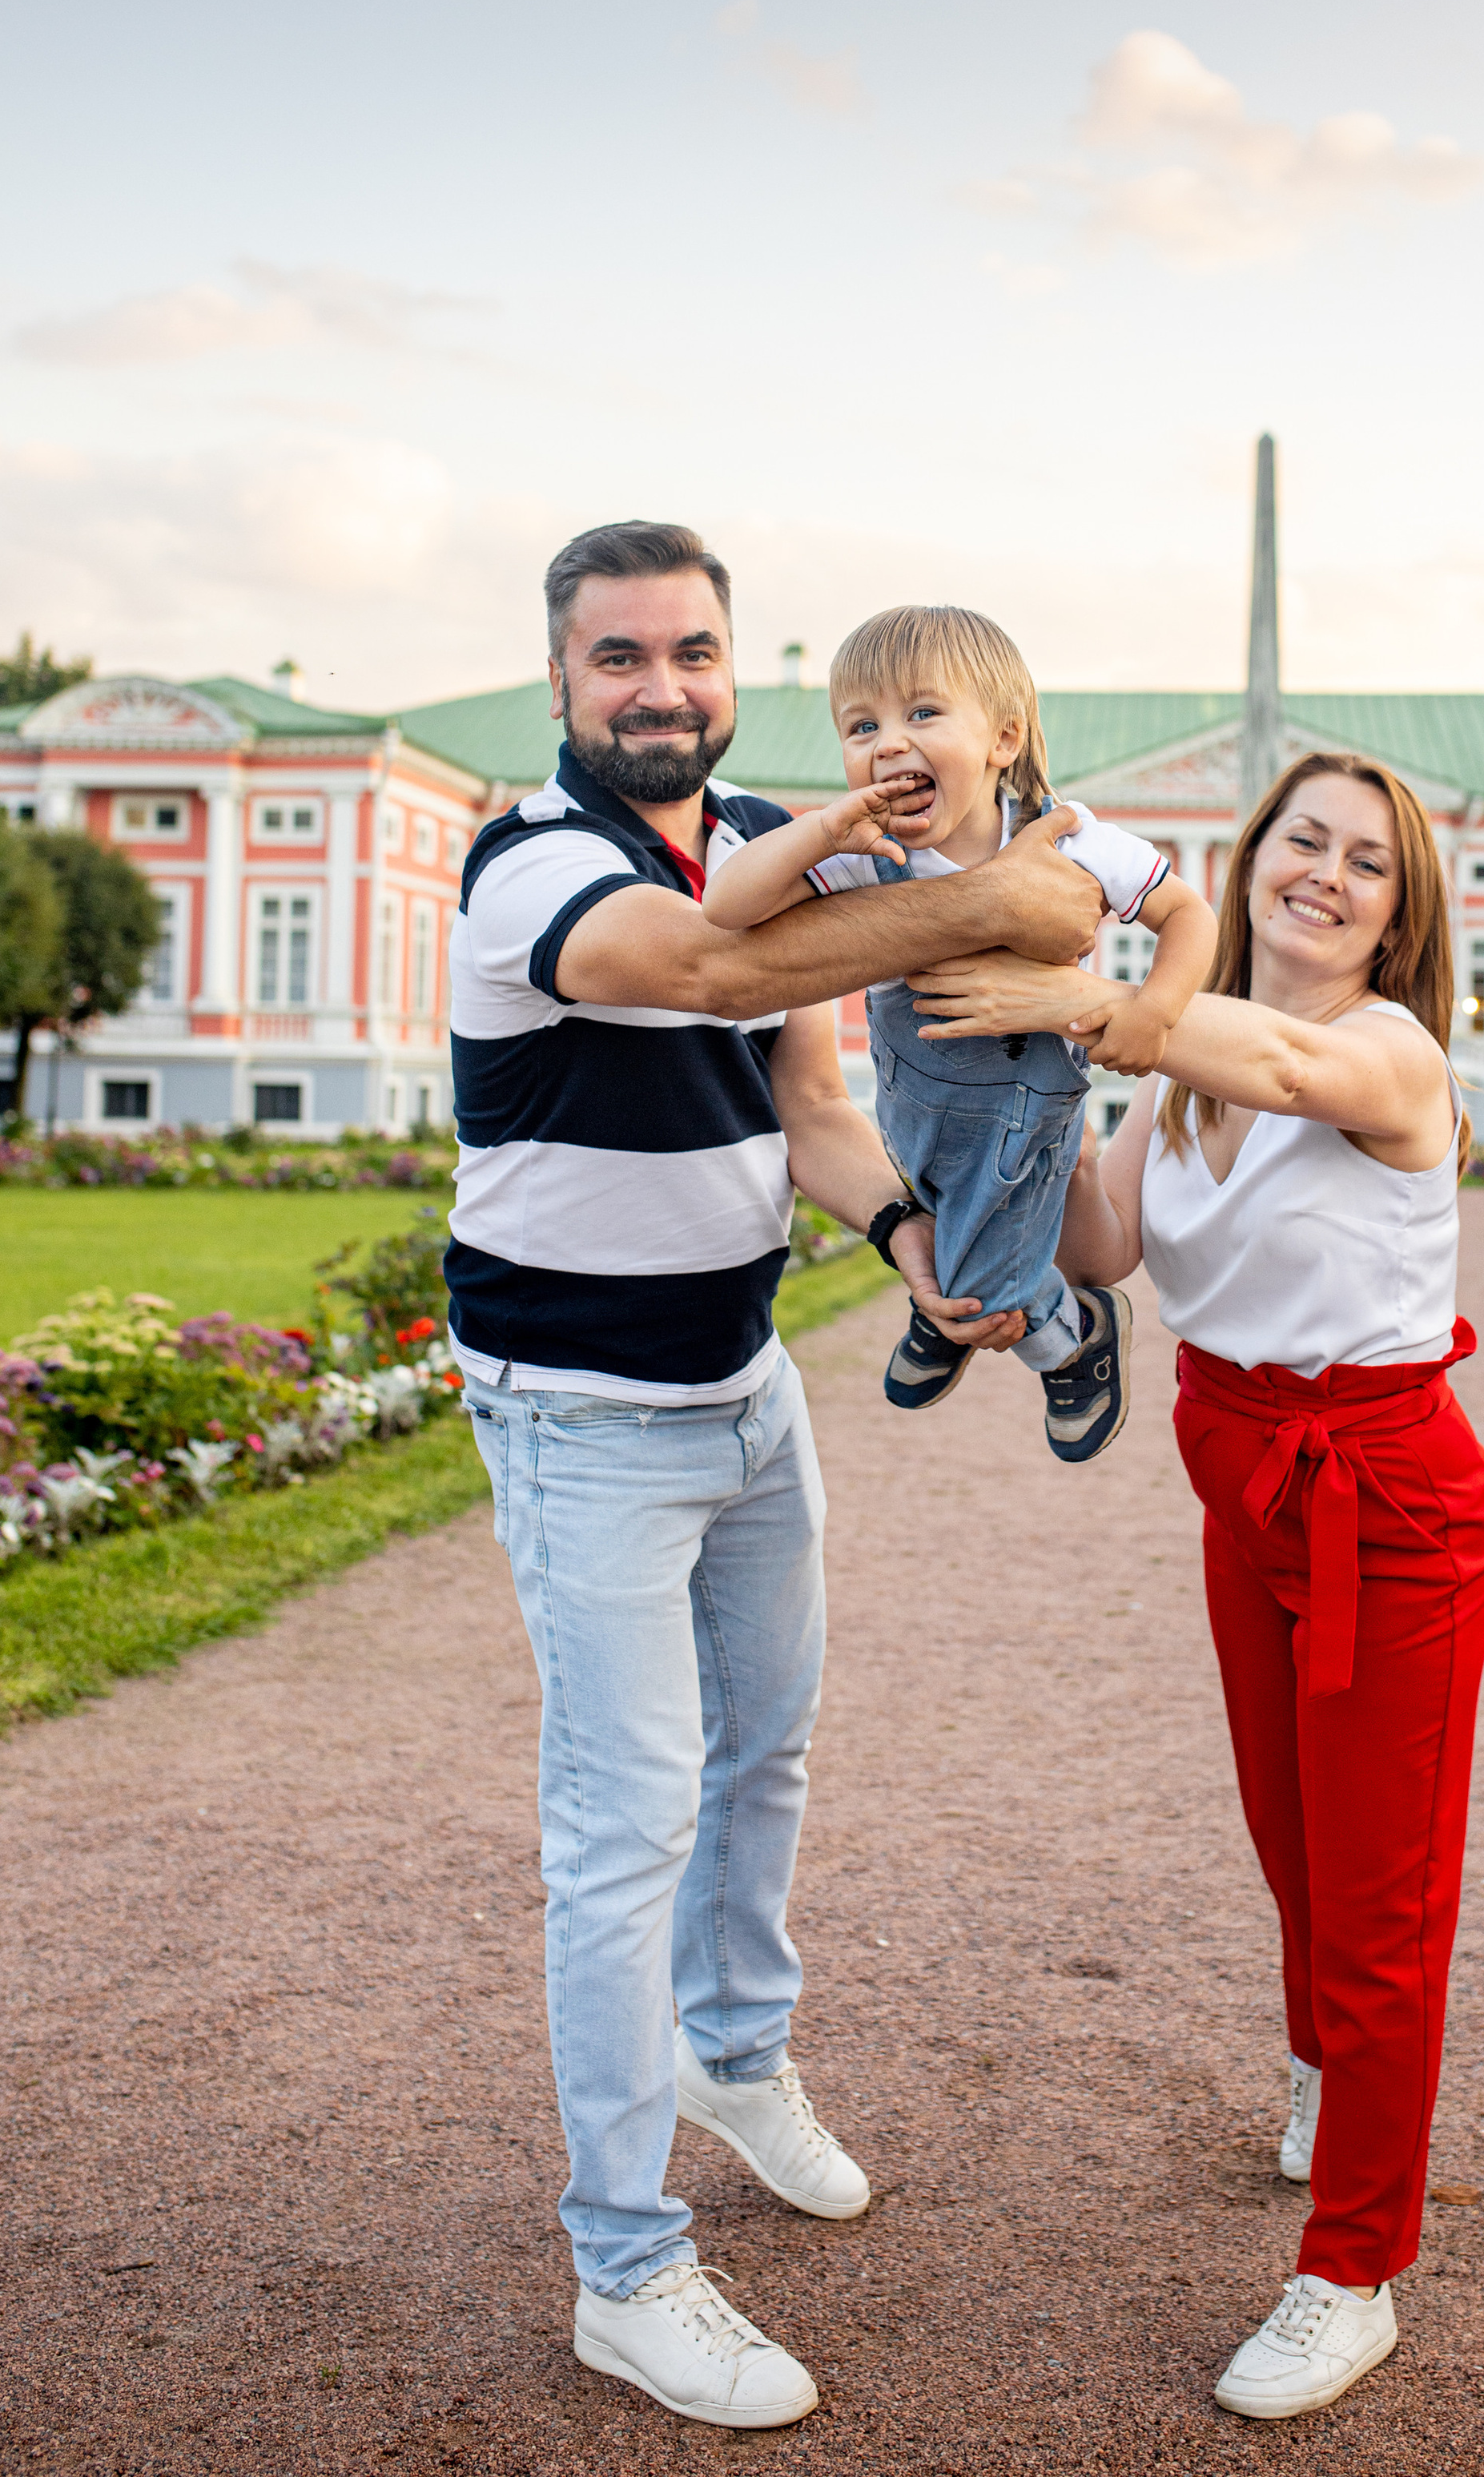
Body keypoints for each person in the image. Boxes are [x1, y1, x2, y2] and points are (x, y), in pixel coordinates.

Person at [448, 522, 1103, 2432]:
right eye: (620, 655)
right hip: (577, 1408)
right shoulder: (534, 863)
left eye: (694, 650)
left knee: (771, 1753)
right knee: (623, 1823)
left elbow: (809, 1091)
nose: (661, 683)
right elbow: (698, 965)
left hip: (738, 1381)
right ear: (559, 682)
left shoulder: (751, 827)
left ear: (732, 668)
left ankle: (735, 2055)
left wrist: (906, 1237)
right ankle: (624, 2261)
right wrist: (1021, 908)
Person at [907, 751, 1484, 2424]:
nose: (1321, 875)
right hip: (1239, 1484)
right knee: (1291, 1840)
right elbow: (1104, 1243)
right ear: (1249, 861)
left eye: (1363, 865)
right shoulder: (1179, 1073)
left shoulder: (1380, 1055)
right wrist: (980, 1214)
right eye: (1298, 842)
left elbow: (1280, 1052)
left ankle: (1351, 2268)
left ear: (1398, 920)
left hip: (1386, 1504)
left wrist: (1081, 956)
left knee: (1381, 1901)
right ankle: (1333, 2074)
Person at [702, 602, 1216, 1459]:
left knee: (983, 1285)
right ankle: (949, 1299)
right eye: (860, 725)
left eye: (923, 713)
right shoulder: (863, 850)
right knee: (944, 1216)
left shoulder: (1065, 836)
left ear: (1002, 739)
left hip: (1024, 1102)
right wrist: (822, 828)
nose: (889, 742)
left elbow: (1187, 913)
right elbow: (726, 909)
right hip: (914, 1105)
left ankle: (1073, 1338)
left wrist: (1152, 1012)